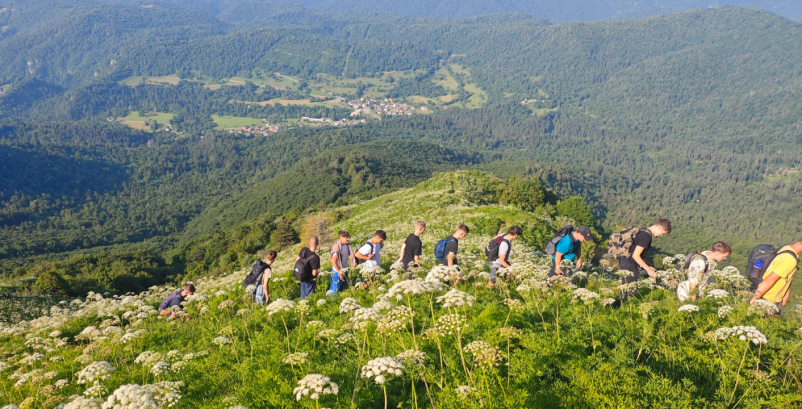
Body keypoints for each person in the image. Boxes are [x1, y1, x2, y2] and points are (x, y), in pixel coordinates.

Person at [613, 219, 672, 307]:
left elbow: (634, 249)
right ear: (659, 228)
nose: (661, 236)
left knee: (628, 290)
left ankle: (618, 308)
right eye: (662, 233)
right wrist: (649, 270)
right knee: (629, 291)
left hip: (624, 261)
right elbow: (636, 255)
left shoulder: (642, 230)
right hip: (629, 263)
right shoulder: (646, 236)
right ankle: (613, 308)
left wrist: (642, 262)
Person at [750, 238, 802, 312]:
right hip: (768, 299)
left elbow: (786, 275)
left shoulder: (788, 248)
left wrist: (786, 295)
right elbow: (770, 280)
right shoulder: (790, 260)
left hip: (762, 292)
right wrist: (755, 298)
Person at [329, 230, 356, 295]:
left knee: (342, 289)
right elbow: (334, 262)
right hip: (337, 271)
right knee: (335, 290)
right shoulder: (336, 249)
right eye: (346, 238)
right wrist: (339, 272)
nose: (348, 239)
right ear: (341, 237)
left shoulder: (347, 245)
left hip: (345, 269)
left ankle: (339, 301)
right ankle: (330, 301)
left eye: (348, 237)